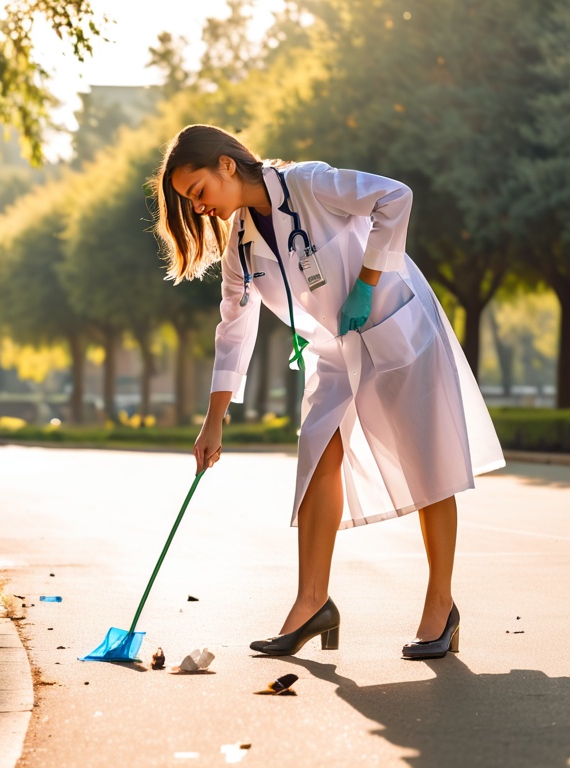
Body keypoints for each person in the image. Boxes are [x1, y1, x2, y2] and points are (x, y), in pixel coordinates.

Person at [153, 124, 505, 659]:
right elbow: (234, 328)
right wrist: (214, 419)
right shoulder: (241, 248)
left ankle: (441, 607)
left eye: (198, 192)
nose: (199, 209)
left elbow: (395, 197)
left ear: (227, 165)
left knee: (427, 463)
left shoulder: (310, 185)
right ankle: (312, 602)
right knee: (318, 455)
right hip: (334, 351)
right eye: (189, 203)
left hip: (393, 324)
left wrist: (366, 283)